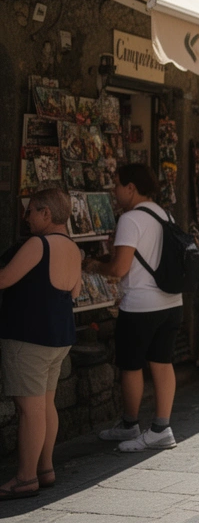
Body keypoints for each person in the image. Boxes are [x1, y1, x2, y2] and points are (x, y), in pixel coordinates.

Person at [88, 163, 182, 452]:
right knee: (162, 362)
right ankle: (161, 428)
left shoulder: (130, 219)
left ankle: (130, 425)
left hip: (141, 304)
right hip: (171, 301)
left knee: (131, 366)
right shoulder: (165, 214)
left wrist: (93, 265)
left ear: (130, 187)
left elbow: (119, 268)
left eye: (116, 184)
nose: (113, 191)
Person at [0, 189, 80, 500]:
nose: (26, 217)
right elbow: (73, 292)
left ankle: (25, 478)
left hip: (29, 337)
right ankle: (45, 468)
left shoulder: (39, 244)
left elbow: (5, 278)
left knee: (29, 409)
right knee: (45, 405)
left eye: (31, 211)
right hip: (58, 337)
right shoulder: (73, 248)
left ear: (46, 213)